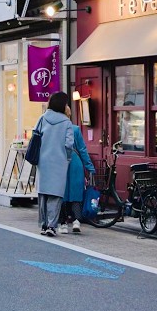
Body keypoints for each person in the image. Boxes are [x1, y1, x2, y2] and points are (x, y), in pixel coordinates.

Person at [34, 91, 74, 237]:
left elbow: (35, 137)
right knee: (55, 195)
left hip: (43, 161)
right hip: (59, 162)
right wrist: (67, 159)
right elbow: (69, 144)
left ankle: (44, 224)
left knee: (43, 193)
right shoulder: (66, 122)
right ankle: (52, 225)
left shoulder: (42, 118)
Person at [59, 112, 95, 235]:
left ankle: (63, 223)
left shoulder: (55, 130)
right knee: (76, 193)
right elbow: (82, 150)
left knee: (61, 193)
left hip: (61, 162)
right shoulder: (75, 129)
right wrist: (90, 167)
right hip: (76, 163)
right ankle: (76, 221)